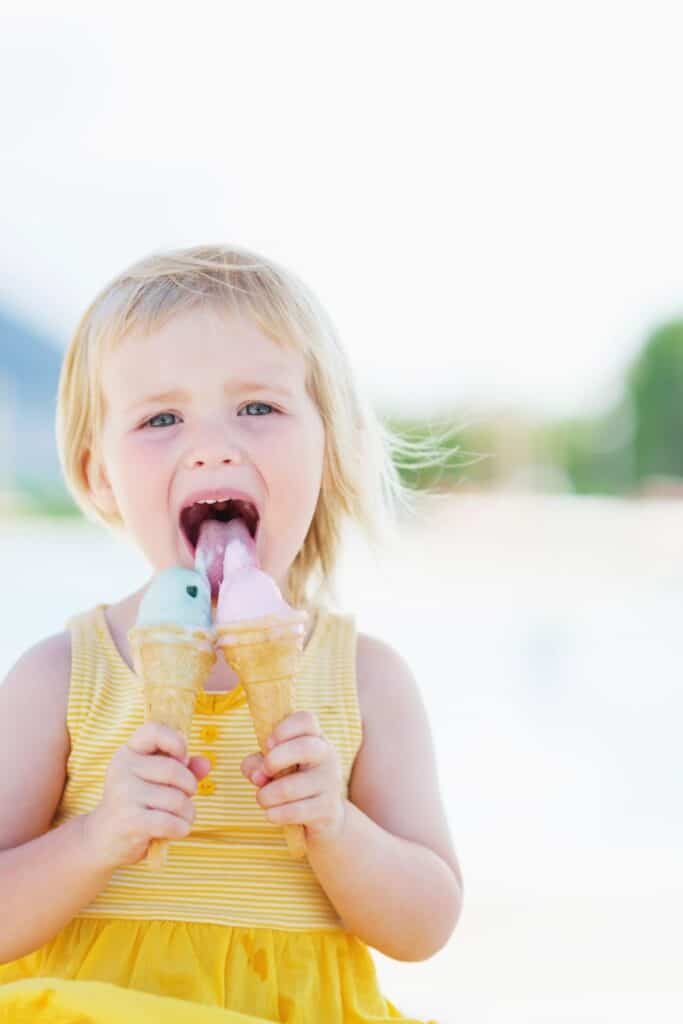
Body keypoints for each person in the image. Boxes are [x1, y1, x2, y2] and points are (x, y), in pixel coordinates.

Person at [0, 244, 463, 1023]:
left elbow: (425, 924)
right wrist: (98, 837)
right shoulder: (59, 679)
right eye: (160, 418)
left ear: (328, 443)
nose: (212, 444)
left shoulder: (366, 682)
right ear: (98, 474)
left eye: (257, 408)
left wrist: (336, 828)